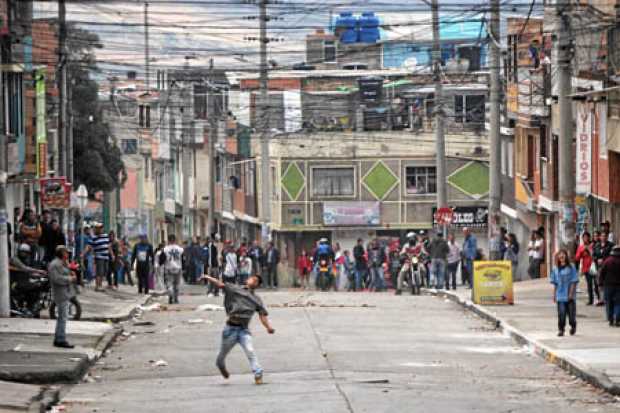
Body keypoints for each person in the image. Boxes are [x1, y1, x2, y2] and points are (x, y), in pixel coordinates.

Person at [201, 272, 275, 385]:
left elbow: (262, 315)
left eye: (256, 281)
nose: (254, 281)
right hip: (230, 329)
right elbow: (220, 284)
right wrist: (208, 277)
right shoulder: (235, 289)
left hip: (243, 330)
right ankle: (220, 365)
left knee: (250, 350)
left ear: (257, 285)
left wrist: (268, 327)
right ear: (247, 280)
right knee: (221, 356)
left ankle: (258, 373)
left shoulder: (256, 300)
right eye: (252, 279)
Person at [48, 245, 77, 348]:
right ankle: (60, 339)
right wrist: (70, 279)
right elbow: (57, 278)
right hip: (60, 293)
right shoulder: (55, 264)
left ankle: (59, 337)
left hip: (65, 292)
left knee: (63, 317)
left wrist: (69, 268)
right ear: (61, 253)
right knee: (63, 317)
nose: (67, 254)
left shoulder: (62, 263)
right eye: (65, 253)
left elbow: (66, 272)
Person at [550, 249, 579, 337]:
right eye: (560, 255)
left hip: (570, 296)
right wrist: (554, 295)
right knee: (561, 314)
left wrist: (570, 293)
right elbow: (555, 283)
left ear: (566, 256)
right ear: (558, 257)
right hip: (560, 295)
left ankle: (573, 326)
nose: (561, 256)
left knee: (571, 316)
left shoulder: (571, 267)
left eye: (563, 254)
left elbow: (574, 281)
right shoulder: (555, 269)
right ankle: (561, 329)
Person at [84, 223, 113, 292]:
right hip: (99, 256)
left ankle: (100, 285)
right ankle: (98, 286)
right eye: (99, 228)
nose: (100, 229)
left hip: (106, 257)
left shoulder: (105, 236)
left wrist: (112, 255)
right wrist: (84, 253)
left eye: (101, 228)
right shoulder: (93, 237)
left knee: (104, 271)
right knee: (99, 271)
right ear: (96, 229)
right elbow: (88, 246)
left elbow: (108, 246)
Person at [599, 245, 620, 327]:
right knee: (618, 303)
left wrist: (600, 283)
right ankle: (617, 319)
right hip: (619, 286)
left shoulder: (608, 261)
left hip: (608, 285)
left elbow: (602, 273)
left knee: (609, 302)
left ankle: (610, 319)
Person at [575, 232, 598, 305]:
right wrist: (582, 251)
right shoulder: (581, 247)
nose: (585, 239)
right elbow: (577, 258)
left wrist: (589, 250)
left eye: (587, 237)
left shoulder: (593, 245)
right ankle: (590, 300)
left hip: (594, 267)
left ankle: (599, 298)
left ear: (589, 238)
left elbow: (595, 255)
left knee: (596, 283)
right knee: (589, 284)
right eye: (584, 237)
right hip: (586, 268)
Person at [593, 231, 614, 307]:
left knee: (607, 283)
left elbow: (612, 256)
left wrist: (604, 259)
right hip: (599, 268)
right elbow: (594, 255)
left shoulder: (611, 245)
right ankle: (601, 299)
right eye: (602, 236)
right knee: (599, 283)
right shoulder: (597, 246)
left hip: (609, 268)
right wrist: (596, 259)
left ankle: (607, 299)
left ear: (607, 237)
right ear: (600, 237)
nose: (603, 237)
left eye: (605, 236)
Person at [163, 234, 184, 304]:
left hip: (169, 267)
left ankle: (170, 293)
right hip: (178, 267)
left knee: (169, 283)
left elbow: (162, 259)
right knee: (177, 284)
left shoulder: (165, 249)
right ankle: (176, 298)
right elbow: (183, 259)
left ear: (168, 240)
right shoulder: (180, 249)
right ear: (175, 240)